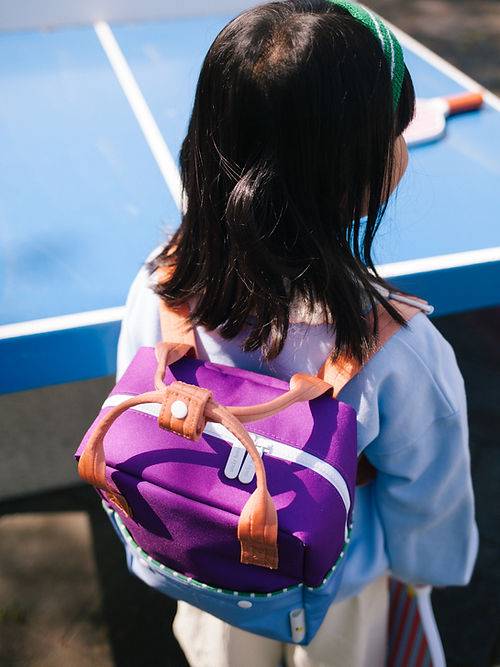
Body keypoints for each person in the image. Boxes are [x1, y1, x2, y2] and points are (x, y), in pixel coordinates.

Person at [117, 1, 478, 665]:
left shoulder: (160, 284)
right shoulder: (402, 349)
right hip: (341, 594)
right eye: (394, 133)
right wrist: (427, 573)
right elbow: (430, 500)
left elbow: (136, 400)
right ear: (358, 180)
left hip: (210, 580)